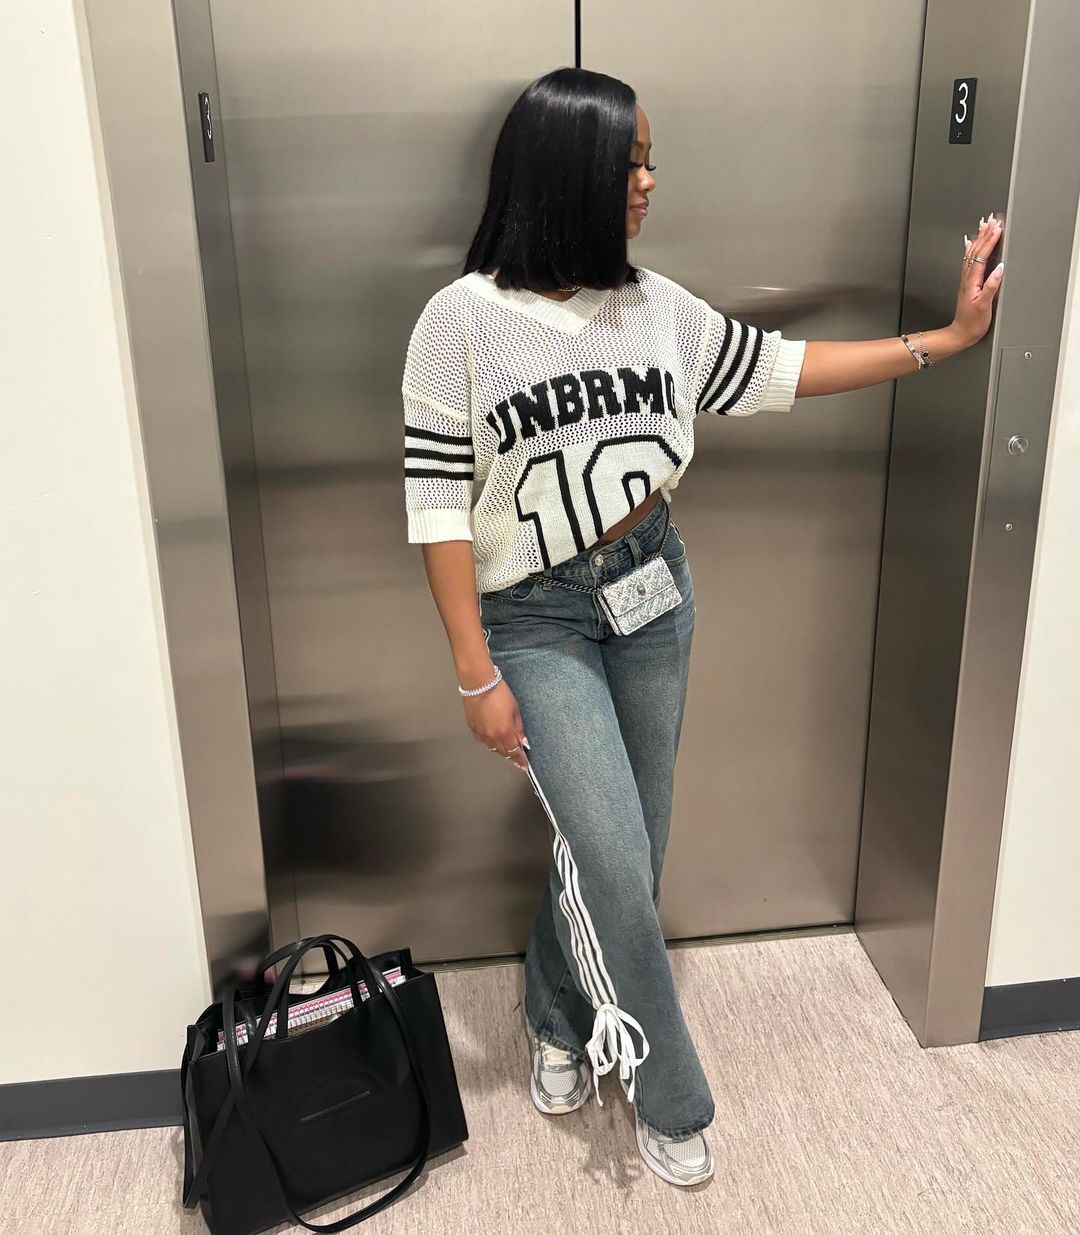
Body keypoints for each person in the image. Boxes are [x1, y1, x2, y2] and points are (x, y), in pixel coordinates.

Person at [400, 66, 1003, 1188]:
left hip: (653, 592)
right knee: (613, 855)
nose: (647, 182)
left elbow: (784, 368)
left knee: (635, 843)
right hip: (535, 617)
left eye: (649, 161)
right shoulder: (460, 323)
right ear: (565, 170)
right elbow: (436, 507)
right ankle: (671, 1091)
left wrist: (949, 338)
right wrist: (474, 674)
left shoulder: (658, 308)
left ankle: (552, 1009)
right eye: (628, 163)